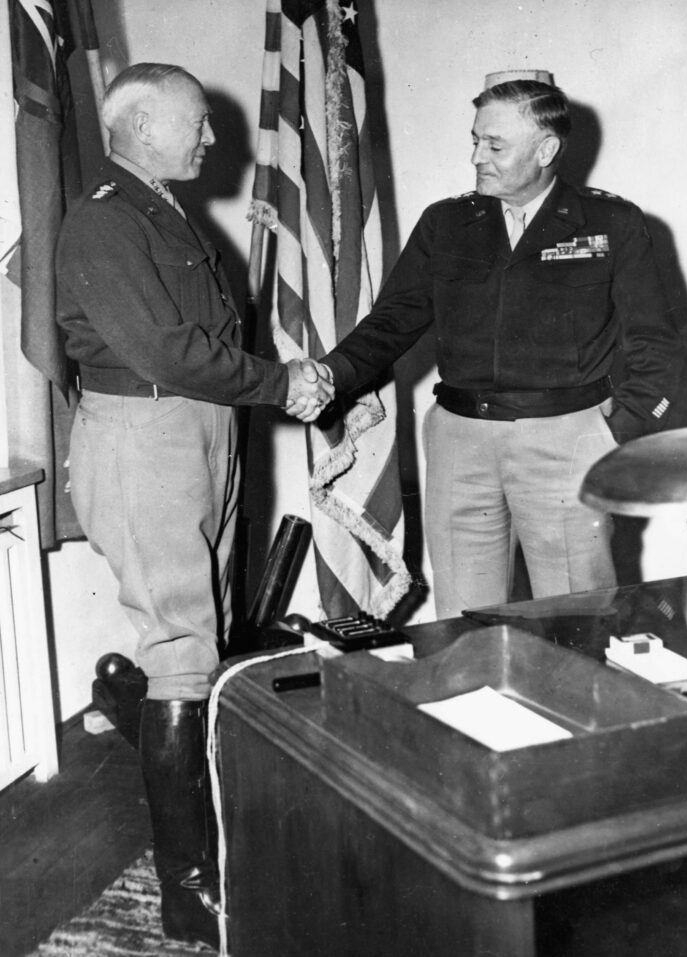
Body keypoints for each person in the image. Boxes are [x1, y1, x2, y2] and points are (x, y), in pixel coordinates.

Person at [55, 63, 331, 949]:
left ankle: (201, 845)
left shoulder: (160, 212)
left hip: (198, 430)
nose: (212, 140)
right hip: (149, 436)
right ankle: (189, 888)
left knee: (198, 639)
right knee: (181, 650)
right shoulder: (103, 221)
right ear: (140, 128)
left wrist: (283, 384)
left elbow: (206, 337)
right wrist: (280, 382)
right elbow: (170, 350)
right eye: (197, 124)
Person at [296, 79, 682, 619]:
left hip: (566, 441)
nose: (476, 156)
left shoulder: (610, 224)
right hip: (459, 441)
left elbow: (657, 349)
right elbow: (392, 321)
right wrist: (332, 373)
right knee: (465, 618)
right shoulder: (447, 222)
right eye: (476, 140)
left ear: (545, 150)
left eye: (494, 145)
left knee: (576, 617)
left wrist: (613, 437)